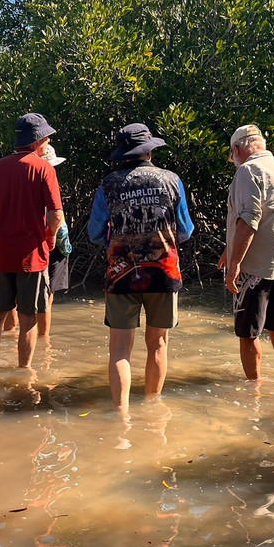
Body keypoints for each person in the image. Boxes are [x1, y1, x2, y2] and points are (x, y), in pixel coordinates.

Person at [88, 123, 194, 412]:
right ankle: (151, 408)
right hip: (165, 272)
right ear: (149, 150)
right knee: (158, 344)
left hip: (121, 274)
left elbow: (95, 233)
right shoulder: (171, 180)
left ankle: (121, 415)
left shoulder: (108, 184)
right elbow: (185, 230)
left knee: (120, 349)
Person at [0, 113, 64, 369]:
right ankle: (23, 372)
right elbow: (56, 215)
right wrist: (49, 238)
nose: (47, 143)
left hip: (0, 254)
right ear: (39, 141)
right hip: (32, 256)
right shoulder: (44, 168)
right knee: (28, 318)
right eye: (46, 139)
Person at [219, 125, 274, 380]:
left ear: (238, 148)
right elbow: (267, 219)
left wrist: (234, 265)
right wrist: (228, 248)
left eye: (233, 156)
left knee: (247, 333)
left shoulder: (248, 170)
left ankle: (254, 393)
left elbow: (250, 220)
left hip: (254, 267)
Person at [38, 144, 73, 337]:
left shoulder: (26, 182)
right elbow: (57, 219)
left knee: (20, 298)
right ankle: (44, 343)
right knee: (47, 298)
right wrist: (63, 245)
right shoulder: (50, 183)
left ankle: (13, 334)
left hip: (30, 245)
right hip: (53, 246)